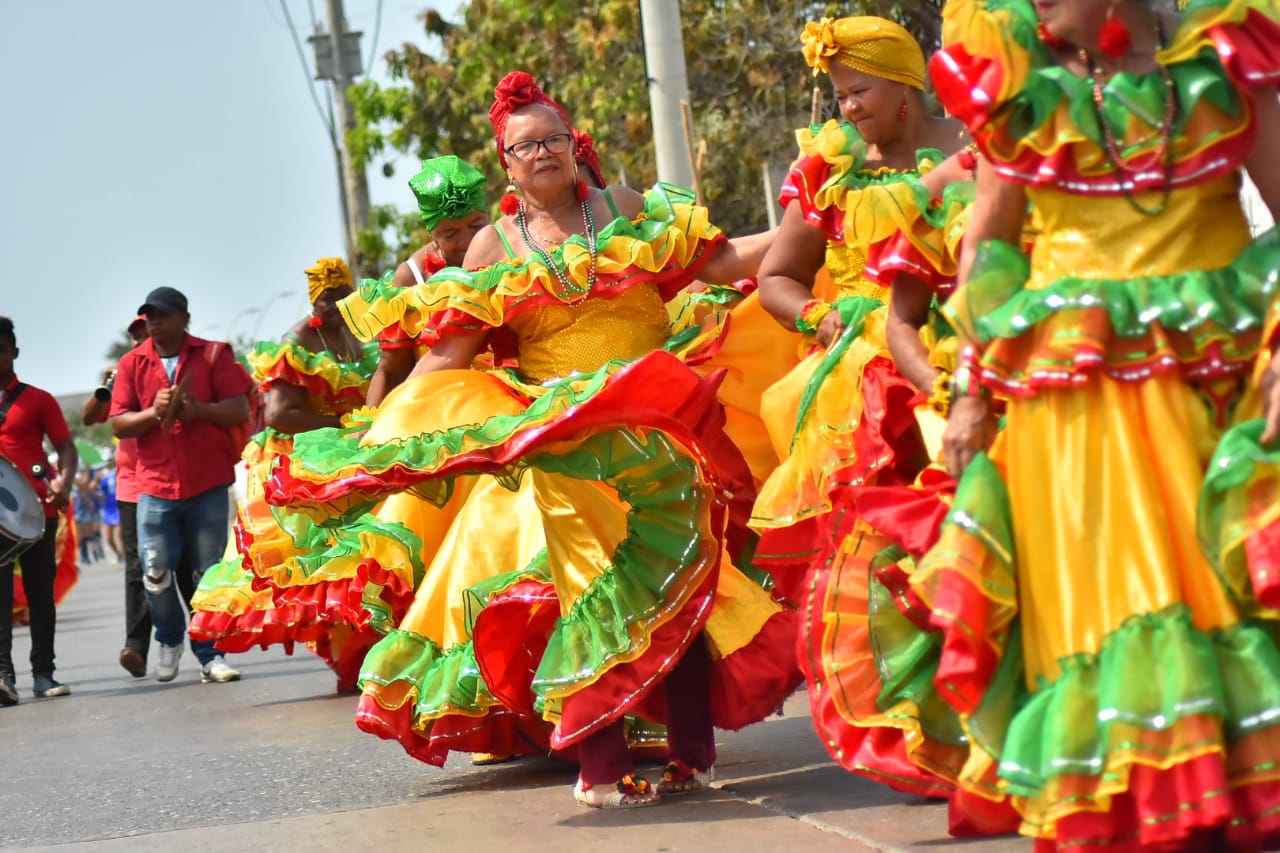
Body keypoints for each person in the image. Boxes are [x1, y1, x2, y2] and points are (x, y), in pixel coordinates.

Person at [268, 71, 798, 808]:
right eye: (525, 146)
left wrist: (811, 225)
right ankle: (601, 761)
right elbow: (450, 352)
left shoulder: (629, 209)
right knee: (592, 587)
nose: (542, 152)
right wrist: (387, 434)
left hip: (661, 422)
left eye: (552, 138)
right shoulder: (493, 246)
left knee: (679, 578)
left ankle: (692, 751)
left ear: (575, 146)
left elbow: (723, 262)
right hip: (565, 439)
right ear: (508, 166)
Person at [915, 0, 1280, 848]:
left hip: (1207, 379)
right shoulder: (1025, 93)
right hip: (1068, 407)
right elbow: (985, 250)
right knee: (1102, 605)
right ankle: (1125, 801)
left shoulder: (1221, 70)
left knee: (1215, 586)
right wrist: (970, 388)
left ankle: (1220, 787)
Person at [750, 15, 981, 801]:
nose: (846, 108)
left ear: (907, 87)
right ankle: (911, 725)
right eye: (839, 94)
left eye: (860, 91)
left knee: (973, 538)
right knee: (883, 553)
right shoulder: (827, 171)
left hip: (964, 349)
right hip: (859, 375)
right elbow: (777, 276)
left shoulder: (975, 144)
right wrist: (823, 319)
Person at [189, 257, 381, 690]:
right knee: (318, 568)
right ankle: (345, 657)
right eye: (326, 299)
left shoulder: (359, 332)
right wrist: (340, 425)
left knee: (363, 560)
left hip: (354, 457)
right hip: (302, 465)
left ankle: (362, 654)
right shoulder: (298, 342)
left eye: (342, 296)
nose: (335, 307)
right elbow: (278, 415)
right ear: (314, 300)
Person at [110, 287, 254, 684]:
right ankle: (171, 638)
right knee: (154, 573)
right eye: (149, 315)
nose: (154, 321)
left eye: (163, 314)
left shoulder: (213, 354)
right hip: (154, 485)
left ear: (184, 318)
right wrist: (152, 413)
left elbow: (238, 408)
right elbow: (118, 423)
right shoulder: (131, 364)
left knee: (207, 575)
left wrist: (197, 412)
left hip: (207, 482)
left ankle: (211, 654)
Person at [365, 156, 489, 406]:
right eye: (450, 233)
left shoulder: (508, 248)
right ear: (431, 233)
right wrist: (373, 430)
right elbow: (391, 371)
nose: (467, 241)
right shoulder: (412, 278)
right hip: (434, 410)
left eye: (476, 225)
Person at [0, 316, 78, 704]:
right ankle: (3, 677)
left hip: (37, 514)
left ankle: (44, 674)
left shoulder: (38, 399)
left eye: (0, 349)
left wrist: (64, 480)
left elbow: (66, 446)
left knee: (39, 597)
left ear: (14, 352)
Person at [83, 315, 163, 676]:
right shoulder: (123, 369)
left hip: (168, 478)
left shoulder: (167, 367)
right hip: (131, 482)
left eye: (143, 332)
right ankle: (136, 647)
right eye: (134, 335)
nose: (138, 339)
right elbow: (90, 418)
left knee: (179, 563)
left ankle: (202, 644)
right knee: (136, 566)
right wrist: (105, 388)